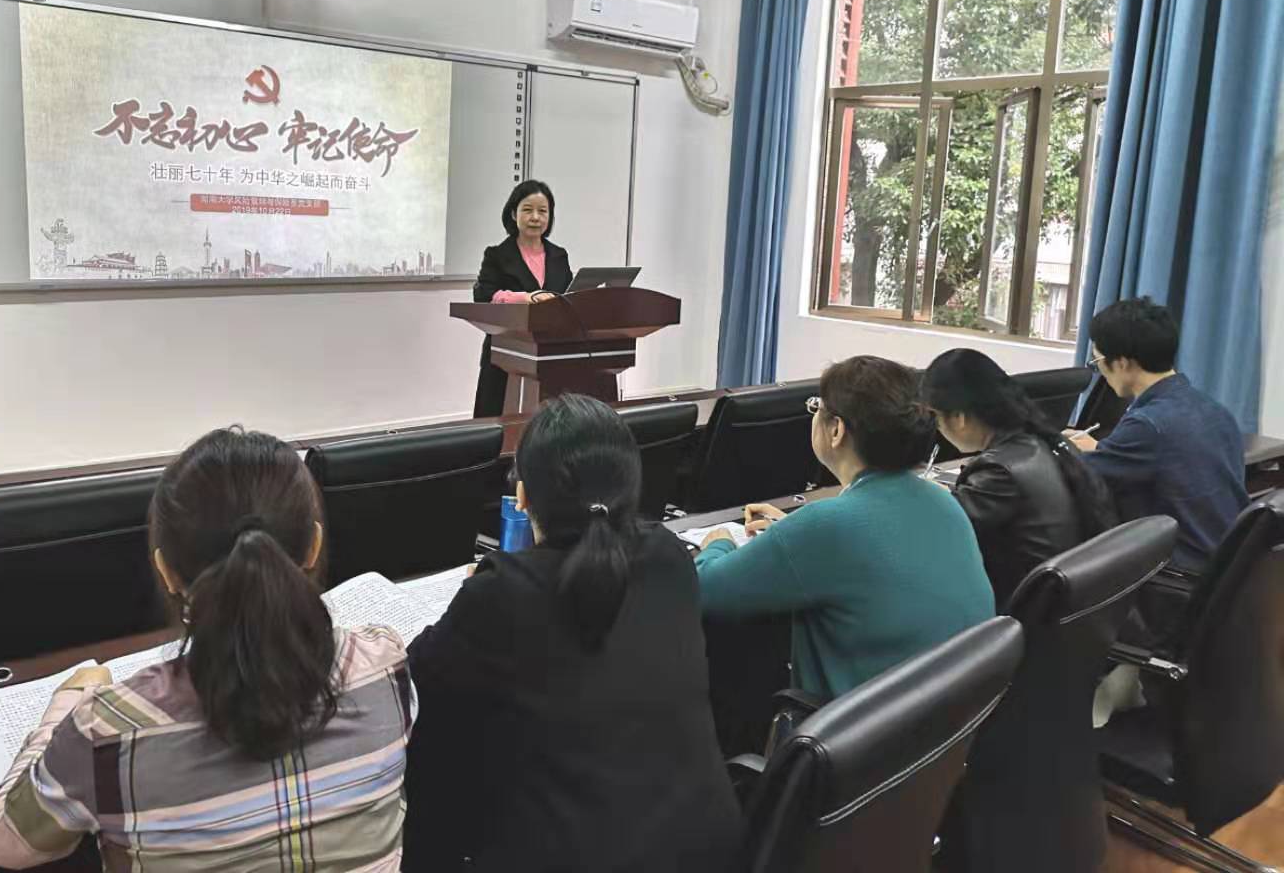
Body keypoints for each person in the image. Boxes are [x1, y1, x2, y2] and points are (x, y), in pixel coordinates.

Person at [0, 428, 412, 871]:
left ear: (166, 571)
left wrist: (69, 702)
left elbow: (4, 846)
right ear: (313, 546)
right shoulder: (385, 667)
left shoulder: (107, 730)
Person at [404, 394, 742, 873]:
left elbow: (417, 681)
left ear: (522, 497)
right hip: (705, 850)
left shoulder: (501, 592)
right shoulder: (669, 557)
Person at [694, 356, 993, 705]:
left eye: (816, 407)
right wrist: (792, 530)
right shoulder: (943, 501)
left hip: (858, 730)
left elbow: (703, 591)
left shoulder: (827, 526)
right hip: (945, 722)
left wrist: (718, 543)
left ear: (836, 430)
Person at [921, 348, 1116, 610]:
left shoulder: (998, 471)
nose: (936, 426)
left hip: (1027, 613)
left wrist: (927, 494)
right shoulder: (1047, 443)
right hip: (1068, 603)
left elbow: (942, 535)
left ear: (959, 417)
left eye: (936, 416)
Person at [1069, 296, 1247, 572]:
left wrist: (1059, 446)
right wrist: (1101, 450)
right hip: (1227, 568)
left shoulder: (1147, 425)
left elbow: (1080, 476)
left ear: (1123, 363)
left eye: (1098, 361)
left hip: (1178, 574)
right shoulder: (1214, 410)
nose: (1099, 371)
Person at [471, 180, 573, 418]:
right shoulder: (497, 255)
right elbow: (483, 296)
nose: (535, 217)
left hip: (551, 353)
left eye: (543, 211)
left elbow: (567, 297)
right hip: (506, 354)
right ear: (513, 213)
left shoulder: (559, 255)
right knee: (499, 422)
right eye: (528, 210)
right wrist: (526, 298)